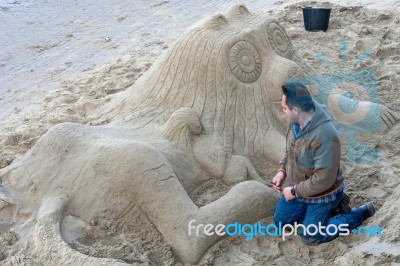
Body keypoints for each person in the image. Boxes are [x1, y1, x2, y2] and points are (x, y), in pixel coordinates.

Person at [272, 82, 376, 245]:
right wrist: (282, 170)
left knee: (310, 237)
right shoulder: (295, 122)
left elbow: (324, 180)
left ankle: (357, 214)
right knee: (281, 222)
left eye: (285, 108)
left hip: (322, 192)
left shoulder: (326, 137)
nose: (283, 111)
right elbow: (290, 149)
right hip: (301, 187)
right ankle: (331, 209)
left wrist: (294, 191)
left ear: (296, 111)